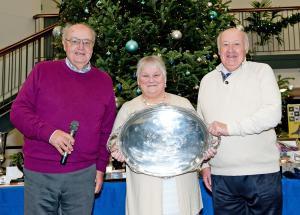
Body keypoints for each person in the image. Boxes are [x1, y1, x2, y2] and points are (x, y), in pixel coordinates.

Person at [10, 23, 116, 214]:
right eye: (75, 41)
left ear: (93, 46)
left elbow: (106, 130)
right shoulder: (42, 71)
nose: (81, 47)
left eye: (87, 42)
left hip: (83, 174)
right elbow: (18, 112)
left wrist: (100, 168)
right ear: (65, 44)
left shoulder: (104, 81)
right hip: (40, 172)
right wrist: (50, 134)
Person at [108, 55, 216, 215]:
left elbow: (200, 137)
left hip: (182, 183)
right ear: (138, 81)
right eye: (145, 76)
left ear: (164, 79)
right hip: (146, 188)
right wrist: (118, 150)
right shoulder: (129, 108)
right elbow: (114, 141)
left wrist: (205, 154)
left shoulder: (182, 104)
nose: (151, 80)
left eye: (156, 75)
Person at [197, 27, 282, 215]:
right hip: (221, 176)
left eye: (237, 44)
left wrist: (230, 128)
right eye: (225, 45)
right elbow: (201, 127)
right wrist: (204, 166)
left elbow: (272, 114)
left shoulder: (262, 71)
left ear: (246, 49)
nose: (231, 50)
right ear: (218, 51)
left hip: (262, 174)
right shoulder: (207, 81)